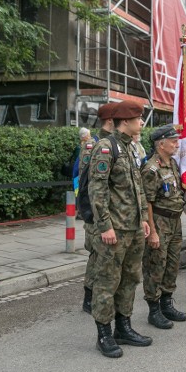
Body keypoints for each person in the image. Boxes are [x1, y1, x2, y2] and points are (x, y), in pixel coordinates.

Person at [88, 100, 152, 358]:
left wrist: (144, 217)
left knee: (130, 278)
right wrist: (105, 225)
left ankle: (123, 327)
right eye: (138, 119)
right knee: (107, 281)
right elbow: (97, 189)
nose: (141, 124)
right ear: (125, 121)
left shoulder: (130, 148)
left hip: (134, 228)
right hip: (115, 229)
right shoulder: (106, 148)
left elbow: (137, 187)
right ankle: (104, 333)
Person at [141, 124, 186, 329]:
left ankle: (166, 303)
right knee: (155, 267)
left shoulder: (172, 164)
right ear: (161, 144)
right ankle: (154, 310)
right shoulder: (151, 168)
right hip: (159, 222)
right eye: (173, 141)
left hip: (175, 222)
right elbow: (147, 202)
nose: (177, 144)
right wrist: (152, 232)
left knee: (172, 264)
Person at [79, 102, 117, 315]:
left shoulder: (116, 143)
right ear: (111, 120)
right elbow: (90, 181)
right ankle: (89, 295)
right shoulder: (93, 145)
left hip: (113, 210)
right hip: (95, 211)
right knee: (96, 255)